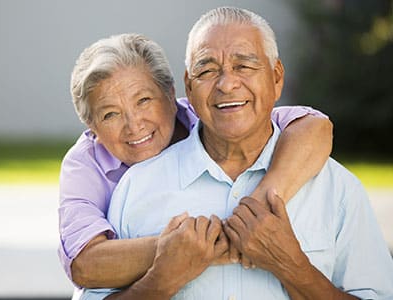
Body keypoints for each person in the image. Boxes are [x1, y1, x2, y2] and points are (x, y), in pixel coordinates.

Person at [82, 7, 393, 300]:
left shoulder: (337, 189)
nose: (227, 84)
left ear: (276, 77)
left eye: (244, 65)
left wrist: (293, 267)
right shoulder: (136, 188)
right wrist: (159, 281)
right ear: (189, 88)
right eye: (207, 70)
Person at [58, 33, 332, 292]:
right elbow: (85, 265)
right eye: (110, 115)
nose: (134, 125)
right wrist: (202, 246)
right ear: (91, 126)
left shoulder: (209, 115)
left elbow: (314, 127)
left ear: (171, 93)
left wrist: (261, 207)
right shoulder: (84, 164)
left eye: (143, 100)